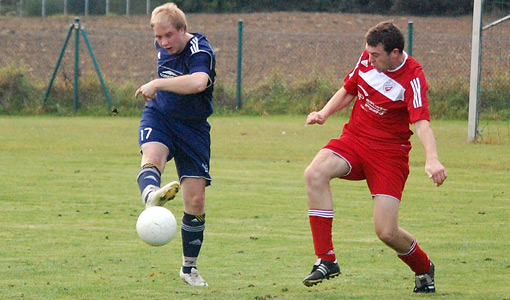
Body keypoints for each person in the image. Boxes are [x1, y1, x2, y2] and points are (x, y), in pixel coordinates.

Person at [302, 21, 447, 293]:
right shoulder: (368, 60)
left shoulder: (413, 77)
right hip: (354, 140)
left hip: (388, 156)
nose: (369, 59)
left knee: (386, 232)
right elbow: (349, 89)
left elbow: (422, 122)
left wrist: (433, 158)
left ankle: (423, 268)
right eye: (368, 53)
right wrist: (324, 113)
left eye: (375, 55)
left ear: (395, 53)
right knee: (315, 172)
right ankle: (326, 259)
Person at [134, 2, 216, 287]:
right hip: (160, 116)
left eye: (169, 35)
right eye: (158, 38)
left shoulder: (200, 49)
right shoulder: (164, 45)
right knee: (153, 156)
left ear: (183, 30)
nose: (164, 42)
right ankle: (150, 197)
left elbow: (198, 83)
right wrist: (158, 89)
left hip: (193, 129)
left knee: (195, 201)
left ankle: (189, 269)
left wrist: (157, 83)